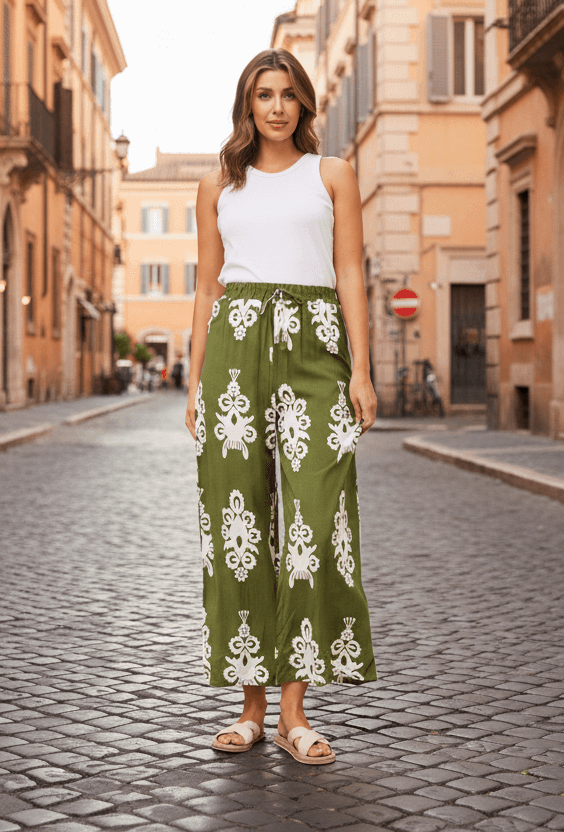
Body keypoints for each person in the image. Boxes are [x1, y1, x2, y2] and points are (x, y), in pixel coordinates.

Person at [185, 48, 378, 766]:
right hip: (235, 353)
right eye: (263, 94)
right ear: (247, 103)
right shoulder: (217, 185)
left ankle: (296, 713)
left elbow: (350, 270)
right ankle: (252, 710)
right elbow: (207, 287)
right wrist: (195, 379)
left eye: (288, 93)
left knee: (314, 525)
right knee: (237, 526)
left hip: (315, 352)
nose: (276, 106)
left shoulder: (333, 175)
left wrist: (362, 369)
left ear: (304, 104)